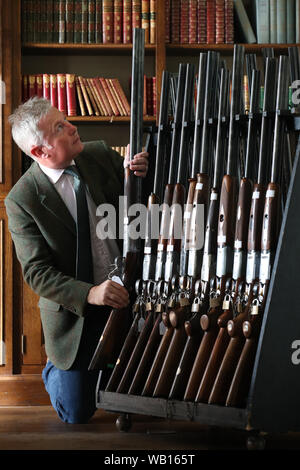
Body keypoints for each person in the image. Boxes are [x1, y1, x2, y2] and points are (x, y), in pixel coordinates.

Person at [5, 97, 149, 423]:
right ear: (40, 152)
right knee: (77, 412)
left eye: (65, 119)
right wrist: (90, 293)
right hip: (79, 311)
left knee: (155, 392)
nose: (72, 127)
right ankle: (58, 366)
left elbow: (140, 210)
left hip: (131, 294)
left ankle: (113, 369)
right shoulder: (22, 199)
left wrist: (142, 172)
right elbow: (37, 273)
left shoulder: (98, 154)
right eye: (59, 127)